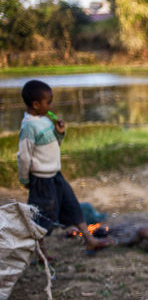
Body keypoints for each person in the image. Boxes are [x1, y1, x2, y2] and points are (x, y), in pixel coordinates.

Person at [16, 79, 110, 255]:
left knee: (72, 206)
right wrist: (25, 179)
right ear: (36, 104)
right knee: (43, 216)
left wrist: (60, 134)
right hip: (42, 180)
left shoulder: (44, 120)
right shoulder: (29, 126)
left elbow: (52, 147)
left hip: (55, 175)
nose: (51, 105)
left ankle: (89, 240)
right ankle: (40, 253)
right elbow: (24, 156)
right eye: (48, 102)